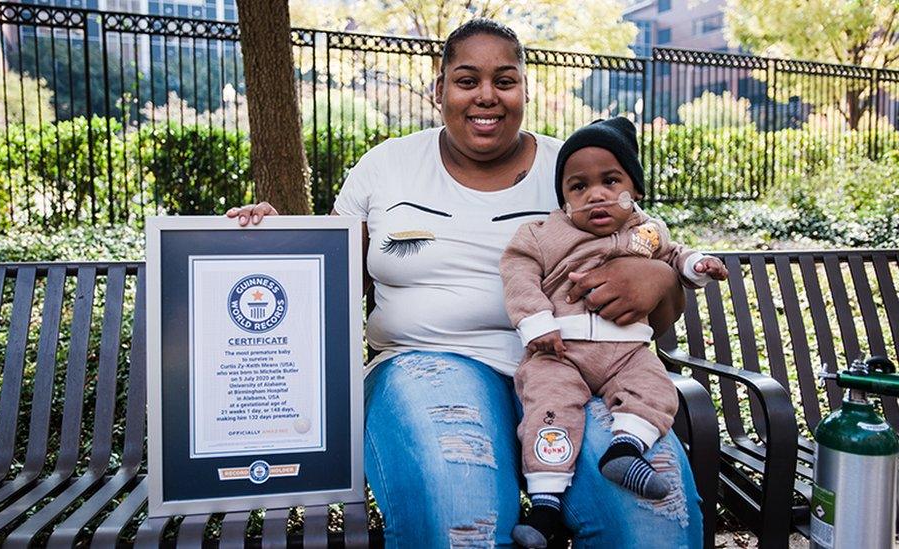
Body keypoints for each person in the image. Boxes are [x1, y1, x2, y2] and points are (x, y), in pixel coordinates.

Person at [228, 18, 705, 548]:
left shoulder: (577, 170)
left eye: (505, 81)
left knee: (652, 515)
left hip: (576, 367)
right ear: (439, 90)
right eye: (466, 79)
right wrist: (271, 248)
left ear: (525, 89)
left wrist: (661, 280)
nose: (487, 97)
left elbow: (655, 311)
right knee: (461, 518)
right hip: (425, 362)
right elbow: (328, 287)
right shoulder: (386, 167)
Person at [501, 117, 728, 548]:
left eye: (610, 181)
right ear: (564, 200)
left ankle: (625, 449)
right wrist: (536, 323)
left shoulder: (646, 231)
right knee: (550, 409)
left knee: (654, 387)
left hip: (626, 350)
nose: (596, 196)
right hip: (560, 349)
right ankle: (546, 508)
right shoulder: (545, 234)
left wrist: (697, 266)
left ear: (635, 190)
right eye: (578, 187)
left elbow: (674, 254)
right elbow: (518, 273)